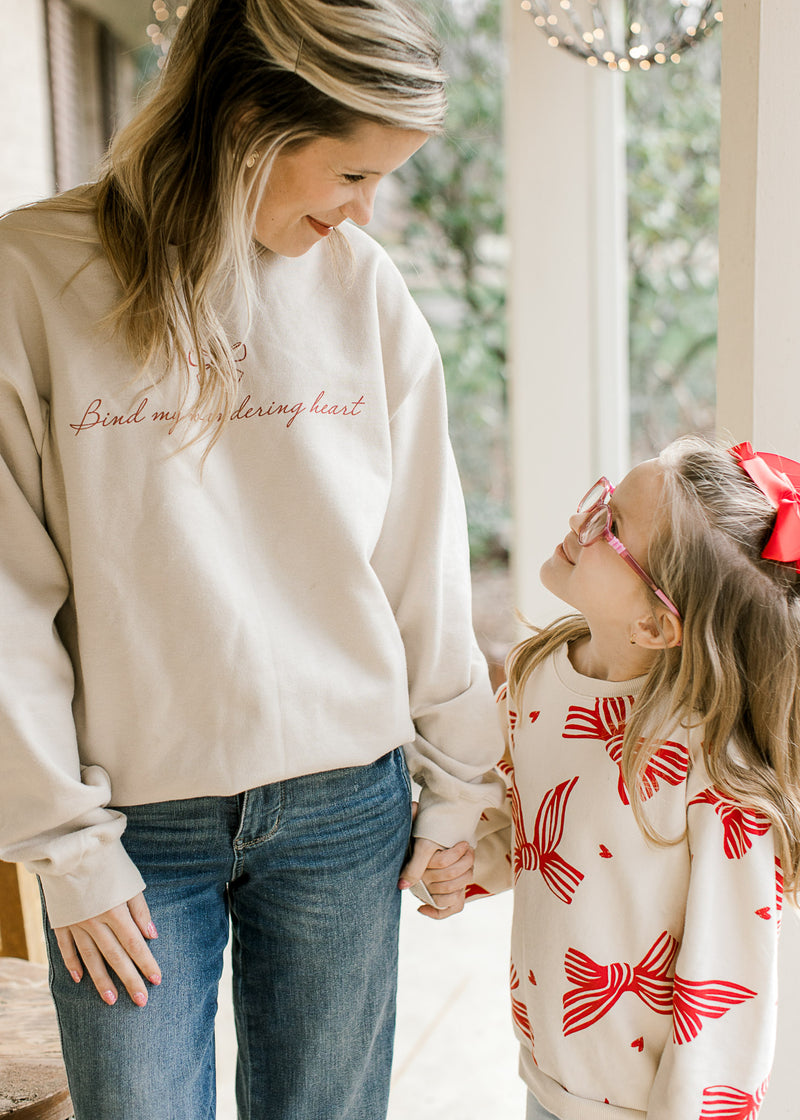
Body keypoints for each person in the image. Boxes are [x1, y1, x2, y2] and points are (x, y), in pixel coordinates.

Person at [0, 1, 503, 1117]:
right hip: (133, 827)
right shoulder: (30, 277)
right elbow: (5, 598)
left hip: (342, 807)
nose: (363, 212)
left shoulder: (361, 287)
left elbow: (419, 554)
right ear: (247, 124)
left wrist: (458, 787)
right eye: (350, 173)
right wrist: (65, 848)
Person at [421, 436, 800, 1119]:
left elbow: (729, 994)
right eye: (603, 497)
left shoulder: (716, 776)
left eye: (612, 527)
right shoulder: (541, 675)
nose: (582, 518)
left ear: (658, 624)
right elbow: (527, 819)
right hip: (549, 1069)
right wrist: (466, 860)